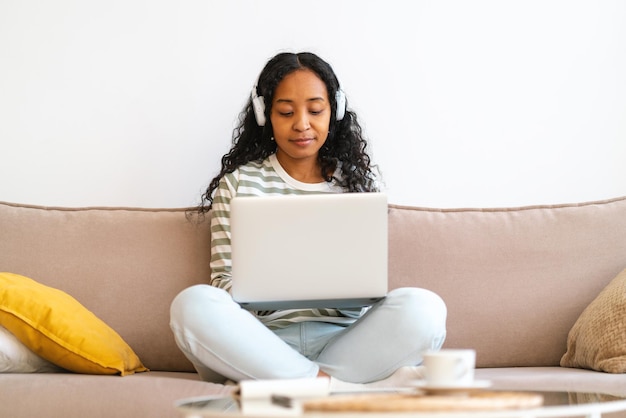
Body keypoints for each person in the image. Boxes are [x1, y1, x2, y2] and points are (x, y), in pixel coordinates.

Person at [169, 51, 447, 390]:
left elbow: (368, 281)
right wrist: (266, 292)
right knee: (193, 305)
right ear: (264, 114)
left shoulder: (357, 185)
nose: (302, 123)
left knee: (425, 308)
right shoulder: (238, 184)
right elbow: (223, 281)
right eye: (286, 112)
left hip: (346, 344)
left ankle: (298, 385)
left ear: (336, 111)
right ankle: (340, 390)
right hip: (259, 344)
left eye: (315, 110)